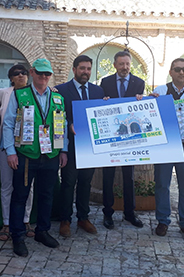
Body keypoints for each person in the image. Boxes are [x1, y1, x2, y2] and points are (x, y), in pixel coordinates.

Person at [3, 58, 68, 257]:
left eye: (47, 74)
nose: (43, 77)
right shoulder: (20, 94)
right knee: (20, 196)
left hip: (50, 155)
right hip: (26, 155)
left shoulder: (58, 98)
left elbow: (62, 125)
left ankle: (42, 231)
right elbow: (8, 123)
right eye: (40, 73)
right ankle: (18, 235)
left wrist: (63, 150)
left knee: (46, 195)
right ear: (32, 72)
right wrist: (10, 151)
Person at [150, 58, 184, 239]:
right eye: (178, 69)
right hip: (165, 146)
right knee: (162, 184)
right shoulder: (160, 91)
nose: (182, 72)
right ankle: (163, 221)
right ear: (171, 72)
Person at [56, 55, 105, 237]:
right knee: (68, 183)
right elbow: (57, 115)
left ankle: (83, 218)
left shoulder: (98, 91)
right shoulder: (61, 90)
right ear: (74, 69)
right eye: (82, 68)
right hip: (70, 146)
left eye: (88, 69)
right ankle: (65, 220)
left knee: (86, 183)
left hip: (90, 147)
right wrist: (69, 124)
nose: (86, 72)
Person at [0, 65, 35, 240]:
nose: (21, 75)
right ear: (11, 78)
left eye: (23, 73)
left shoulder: (35, 93)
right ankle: (6, 222)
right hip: (6, 146)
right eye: (16, 74)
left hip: (28, 146)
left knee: (28, 187)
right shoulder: (2, 93)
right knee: (6, 186)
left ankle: (26, 219)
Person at [100, 51, 145, 229]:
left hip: (130, 139)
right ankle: (108, 213)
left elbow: (141, 110)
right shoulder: (106, 82)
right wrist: (103, 101)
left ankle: (129, 213)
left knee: (129, 177)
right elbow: (101, 106)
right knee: (107, 176)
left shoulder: (139, 83)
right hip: (111, 138)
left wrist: (142, 100)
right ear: (115, 65)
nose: (125, 67)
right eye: (121, 64)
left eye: (127, 64)